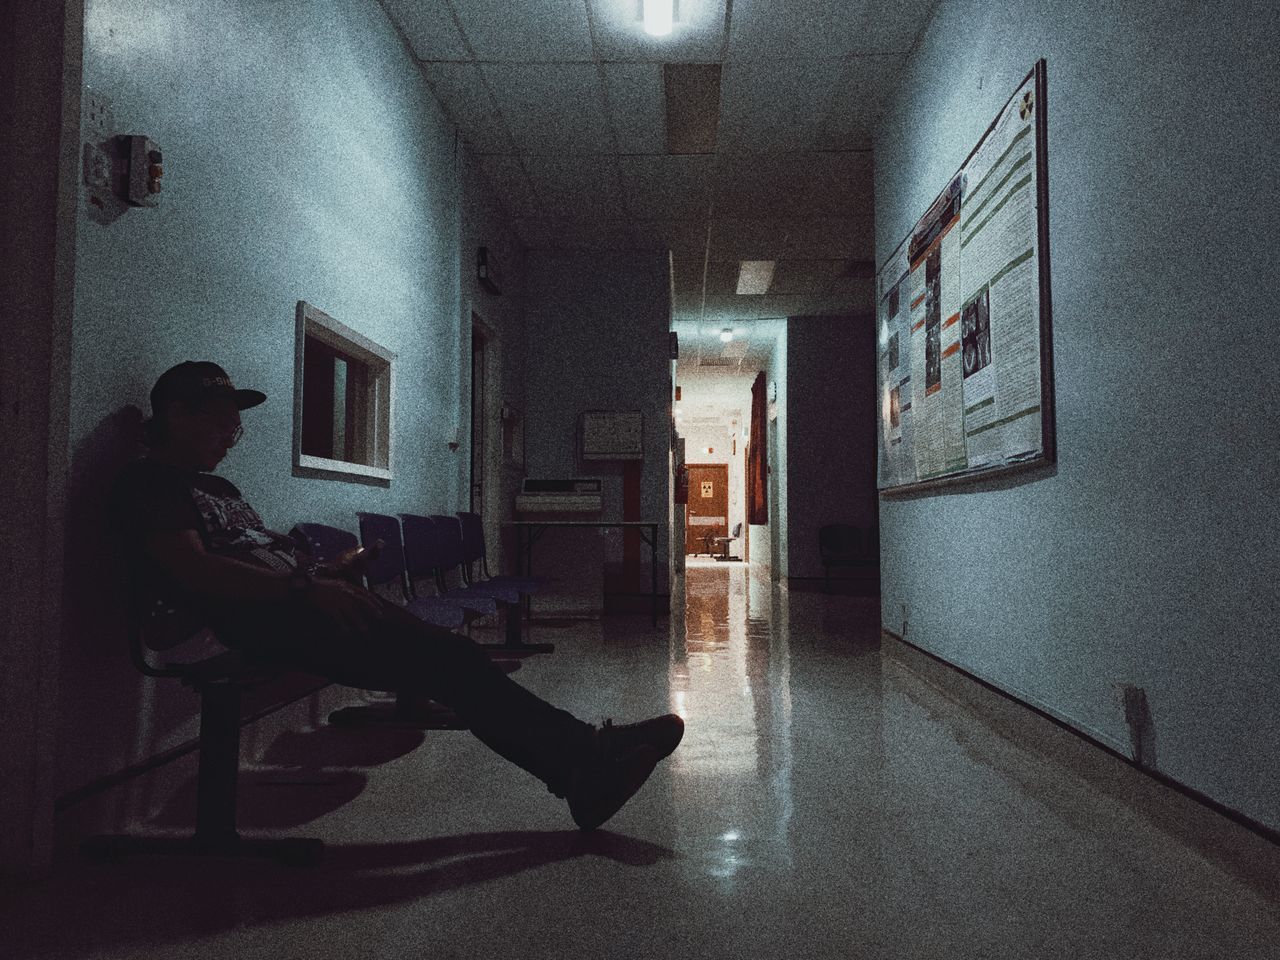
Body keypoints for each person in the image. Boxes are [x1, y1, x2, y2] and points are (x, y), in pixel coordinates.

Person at [107, 361, 683, 831]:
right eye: (220, 422)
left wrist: (323, 568)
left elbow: (256, 550)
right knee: (454, 664)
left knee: (456, 663)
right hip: (256, 621)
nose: (231, 435)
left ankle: (586, 761)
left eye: (236, 425)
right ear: (176, 414)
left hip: (302, 599)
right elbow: (194, 569)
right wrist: (305, 585)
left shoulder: (219, 487)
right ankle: (587, 759)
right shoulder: (150, 483)